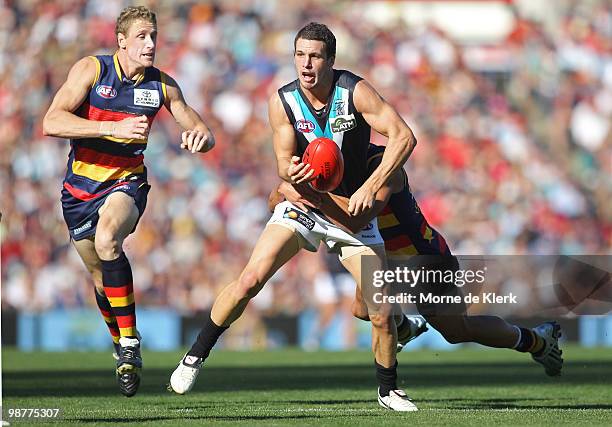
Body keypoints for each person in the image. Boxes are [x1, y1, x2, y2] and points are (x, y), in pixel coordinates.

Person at [170, 22, 420, 411]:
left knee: (380, 308)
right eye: (300, 55)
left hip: (350, 208)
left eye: (315, 56)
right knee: (250, 279)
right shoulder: (282, 102)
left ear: (331, 61)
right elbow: (284, 168)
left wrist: (371, 185)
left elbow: (403, 136)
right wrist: (293, 177)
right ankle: (195, 356)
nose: (306, 64)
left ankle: (388, 391)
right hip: (306, 204)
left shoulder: (355, 91)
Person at [276, 143, 563, 387]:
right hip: (385, 258)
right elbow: (277, 197)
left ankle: (537, 340)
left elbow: (358, 216)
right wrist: (286, 192)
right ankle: (404, 326)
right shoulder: (329, 164)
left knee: (457, 331)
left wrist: (312, 196)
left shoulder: (382, 164)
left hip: (422, 258)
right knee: (361, 310)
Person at [42, 6, 214, 397]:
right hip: (78, 192)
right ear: (121, 41)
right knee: (101, 279)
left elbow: (200, 126)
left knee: (108, 240)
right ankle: (124, 342)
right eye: (142, 36)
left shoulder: (161, 85)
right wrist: (111, 127)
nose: (151, 44)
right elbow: (51, 121)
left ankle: (131, 345)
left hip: (127, 183)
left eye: (154, 35)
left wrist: (201, 137)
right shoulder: (92, 70)